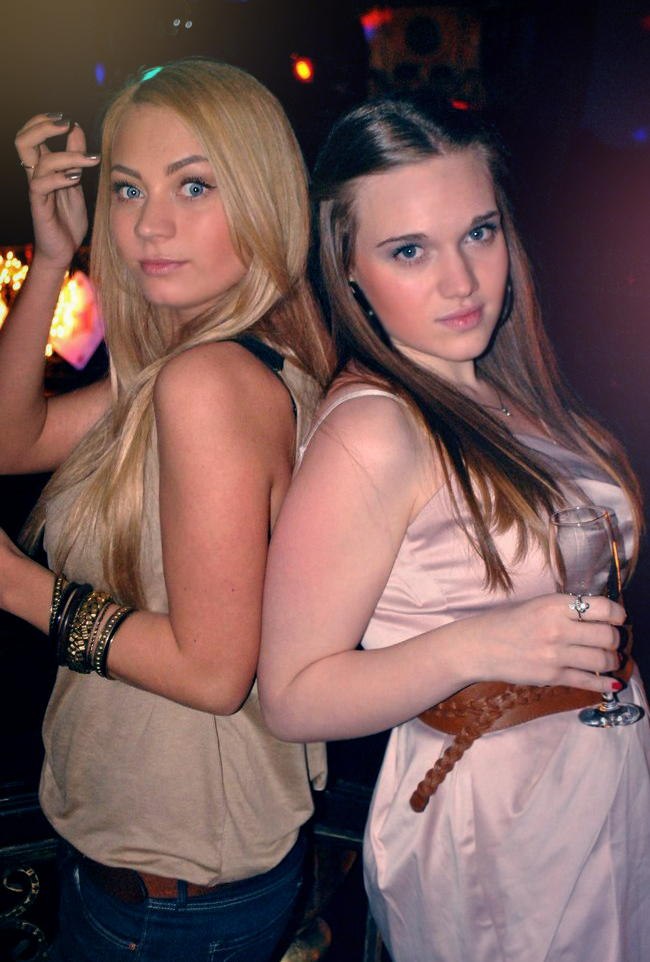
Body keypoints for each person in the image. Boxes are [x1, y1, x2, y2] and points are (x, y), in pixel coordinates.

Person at [258, 95, 650, 962]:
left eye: (479, 233)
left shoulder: (510, 389)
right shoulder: (374, 428)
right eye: (410, 250)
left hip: (589, 788)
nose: (462, 280)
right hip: (493, 825)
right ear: (347, 269)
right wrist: (480, 645)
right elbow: (291, 696)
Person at [0, 58, 331, 962]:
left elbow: (211, 670)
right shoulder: (216, 362)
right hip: (177, 870)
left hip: (169, 895)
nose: (149, 223)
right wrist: (54, 257)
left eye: (194, 185)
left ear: (263, 196)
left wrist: (16, 584)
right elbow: (13, 438)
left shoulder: (207, 382)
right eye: (128, 188)